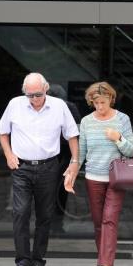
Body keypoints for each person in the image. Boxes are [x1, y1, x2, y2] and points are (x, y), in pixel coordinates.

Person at [0, 73, 79, 266]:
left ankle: (38, 261)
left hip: (49, 166)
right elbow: (2, 131)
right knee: (21, 212)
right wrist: (8, 153)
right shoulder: (15, 104)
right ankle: (22, 261)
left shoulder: (59, 106)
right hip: (21, 167)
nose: (34, 99)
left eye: (38, 94)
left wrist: (75, 161)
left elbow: (72, 135)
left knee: (45, 215)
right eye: (29, 95)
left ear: (46, 89)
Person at [65, 81, 133, 266]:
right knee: (98, 222)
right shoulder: (87, 121)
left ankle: (106, 265)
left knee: (109, 220)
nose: (100, 107)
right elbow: (81, 153)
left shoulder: (122, 119)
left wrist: (118, 138)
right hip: (93, 178)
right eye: (96, 103)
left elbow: (131, 151)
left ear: (111, 99)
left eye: (103, 102)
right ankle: (104, 259)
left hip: (116, 178)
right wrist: (71, 174)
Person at [47, 84, 81, 235]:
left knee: (53, 188)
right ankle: (56, 224)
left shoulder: (46, 108)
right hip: (63, 151)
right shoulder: (70, 107)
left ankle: (52, 224)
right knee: (61, 188)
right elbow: (77, 129)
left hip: (57, 152)